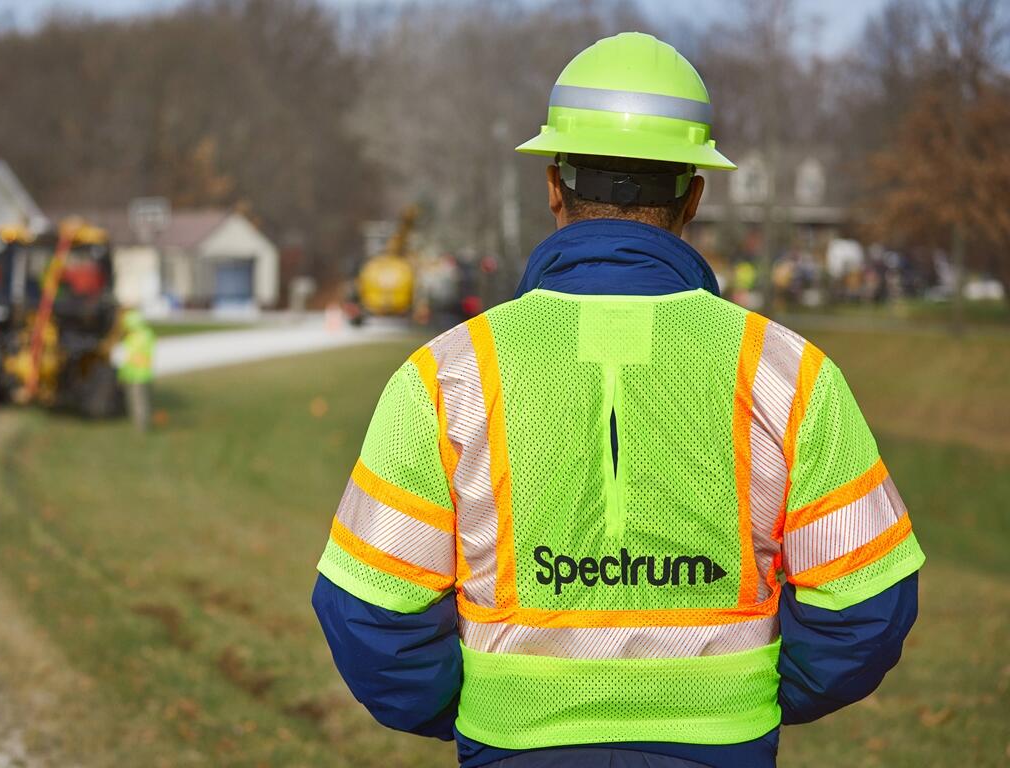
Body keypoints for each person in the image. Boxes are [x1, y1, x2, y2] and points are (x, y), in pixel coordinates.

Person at [311, 32, 924, 768]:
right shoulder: (789, 374)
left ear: (552, 185)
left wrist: (480, 710)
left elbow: (368, 609)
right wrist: (746, 699)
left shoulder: (447, 376)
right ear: (694, 194)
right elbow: (866, 607)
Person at [118, 309, 155, 431]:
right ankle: (139, 423)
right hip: (138, 373)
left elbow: (132, 357)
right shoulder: (145, 334)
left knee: (139, 401)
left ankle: (141, 426)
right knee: (138, 401)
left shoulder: (137, 337)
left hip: (137, 374)